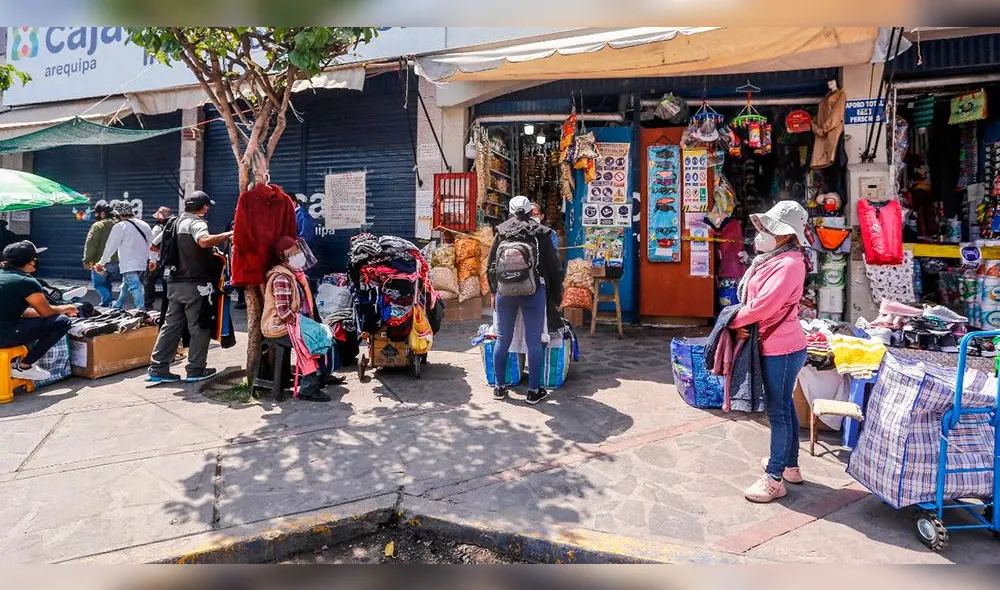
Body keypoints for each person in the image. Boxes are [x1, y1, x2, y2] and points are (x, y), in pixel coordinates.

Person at [730, 201, 810, 504]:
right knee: (785, 407)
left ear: (786, 235)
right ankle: (790, 467)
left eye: (769, 229)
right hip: (774, 344)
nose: (762, 233)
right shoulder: (773, 260)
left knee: (777, 412)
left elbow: (763, 307)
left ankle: (774, 479)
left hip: (782, 348)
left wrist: (730, 321)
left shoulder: (788, 264)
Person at [146, 191, 232, 383]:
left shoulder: (172, 224)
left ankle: (158, 369)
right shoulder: (197, 223)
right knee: (199, 326)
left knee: (170, 326)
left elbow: (153, 246)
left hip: (173, 285)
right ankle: (196, 369)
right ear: (204, 207)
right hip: (196, 285)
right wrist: (227, 235)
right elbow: (203, 241)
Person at [486, 195, 562, 405]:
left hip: (504, 293)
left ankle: (499, 387)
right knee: (533, 341)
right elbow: (554, 269)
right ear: (530, 211)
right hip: (533, 291)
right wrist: (556, 296)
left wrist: (493, 291)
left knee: (503, 339)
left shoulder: (501, 231)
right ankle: (533, 391)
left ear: (510, 211)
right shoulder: (541, 233)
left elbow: (491, 265)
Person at [262, 236, 340, 402]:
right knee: (311, 342)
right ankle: (308, 389)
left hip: (293, 322)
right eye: (294, 253)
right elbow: (283, 313)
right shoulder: (281, 278)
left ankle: (322, 376)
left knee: (325, 335)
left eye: (298, 251)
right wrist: (305, 326)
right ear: (284, 257)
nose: (299, 255)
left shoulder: (295, 274)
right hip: (278, 326)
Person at [0, 241, 78, 381]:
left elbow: (20, 311)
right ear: (31, 262)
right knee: (62, 322)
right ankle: (23, 366)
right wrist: (66, 308)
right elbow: (46, 312)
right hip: (4, 336)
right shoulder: (26, 282)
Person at [95, 201, 154, 310]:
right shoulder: (144, 224)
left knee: (135, 286)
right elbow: (152, 244)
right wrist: (153, 259)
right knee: (126, 284)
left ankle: (141, 309)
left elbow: (110, 247)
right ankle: (118, 305)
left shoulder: (120, 226)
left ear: (118, 214)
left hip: (128, 263)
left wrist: (101, 262)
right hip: (142, 263)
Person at [82, 202, 118, 307]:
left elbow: (91, 244)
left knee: (98, 284)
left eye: (96, 213)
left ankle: (112, 302)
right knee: (107, 282)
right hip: (116, 261)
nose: (95, 215)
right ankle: (105, 303)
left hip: (100, 262)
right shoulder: (118, 224)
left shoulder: (98, 226)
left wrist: (87, 260)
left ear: (102, 214)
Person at [144, 206, 172, 310]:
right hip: (165, 260)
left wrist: (152, 260)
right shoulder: (171, 229)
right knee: (166, 284)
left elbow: (152, 245)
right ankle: (166, 306)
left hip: (156, 260)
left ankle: (148, 304)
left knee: (149, 283)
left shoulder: (157, 229)